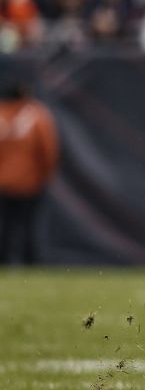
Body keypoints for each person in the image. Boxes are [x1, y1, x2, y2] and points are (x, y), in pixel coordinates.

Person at [0, 77, 59, 264]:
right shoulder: (36, 114)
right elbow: (48, 149)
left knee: (6, 226)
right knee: (29, 226)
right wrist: (45, 176)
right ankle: (31, 263)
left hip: (3, 182)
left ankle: (5, 261)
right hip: (29, 182)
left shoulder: (2, 113)